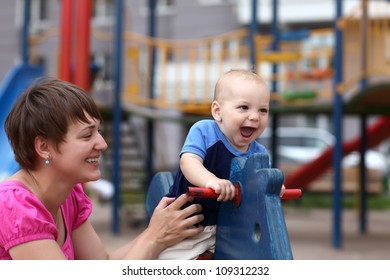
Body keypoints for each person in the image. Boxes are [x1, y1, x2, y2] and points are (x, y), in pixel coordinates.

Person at [0, 77, 204, 260]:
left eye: (98, 131)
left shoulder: (69, 196)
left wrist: (159, 230)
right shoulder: (14, 206)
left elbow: (101, 264)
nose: (102, 144)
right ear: (44, 147)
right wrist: (154, 238)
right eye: (87, 136)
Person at [159, 69, 285, 259]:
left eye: (263, 110)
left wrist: (273, 188)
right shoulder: (204, 131)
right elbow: (188, 162)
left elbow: (260, 186)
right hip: (189, 226)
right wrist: (211, 181)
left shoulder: (259, 153)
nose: (254, 116)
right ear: (217, 111)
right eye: (244, 107)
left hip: (232, 228)